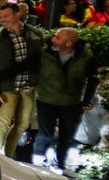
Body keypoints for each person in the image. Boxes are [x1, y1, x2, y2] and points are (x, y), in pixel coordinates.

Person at [34, 27, 98, 172]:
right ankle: (37, 162)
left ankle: (59, 164)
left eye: (57, 38)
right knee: (45, 133)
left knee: (66, 136)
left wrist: (85, 101)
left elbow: (93, 79)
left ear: (68, 43)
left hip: (71, 103)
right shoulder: (44, 53)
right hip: (47, 100)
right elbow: (31, 69)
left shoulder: (85, 57)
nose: (53, 40)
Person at [0, 2, 44, 158]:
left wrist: (35, 81)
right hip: (8, 86)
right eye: (1, 17)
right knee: (4, 122)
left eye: (6, 16)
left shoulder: (35, 35)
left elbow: (40, 62)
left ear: (17, 14)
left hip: (28, 86)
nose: (3, 20)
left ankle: (8, 157)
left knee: (23, 124)